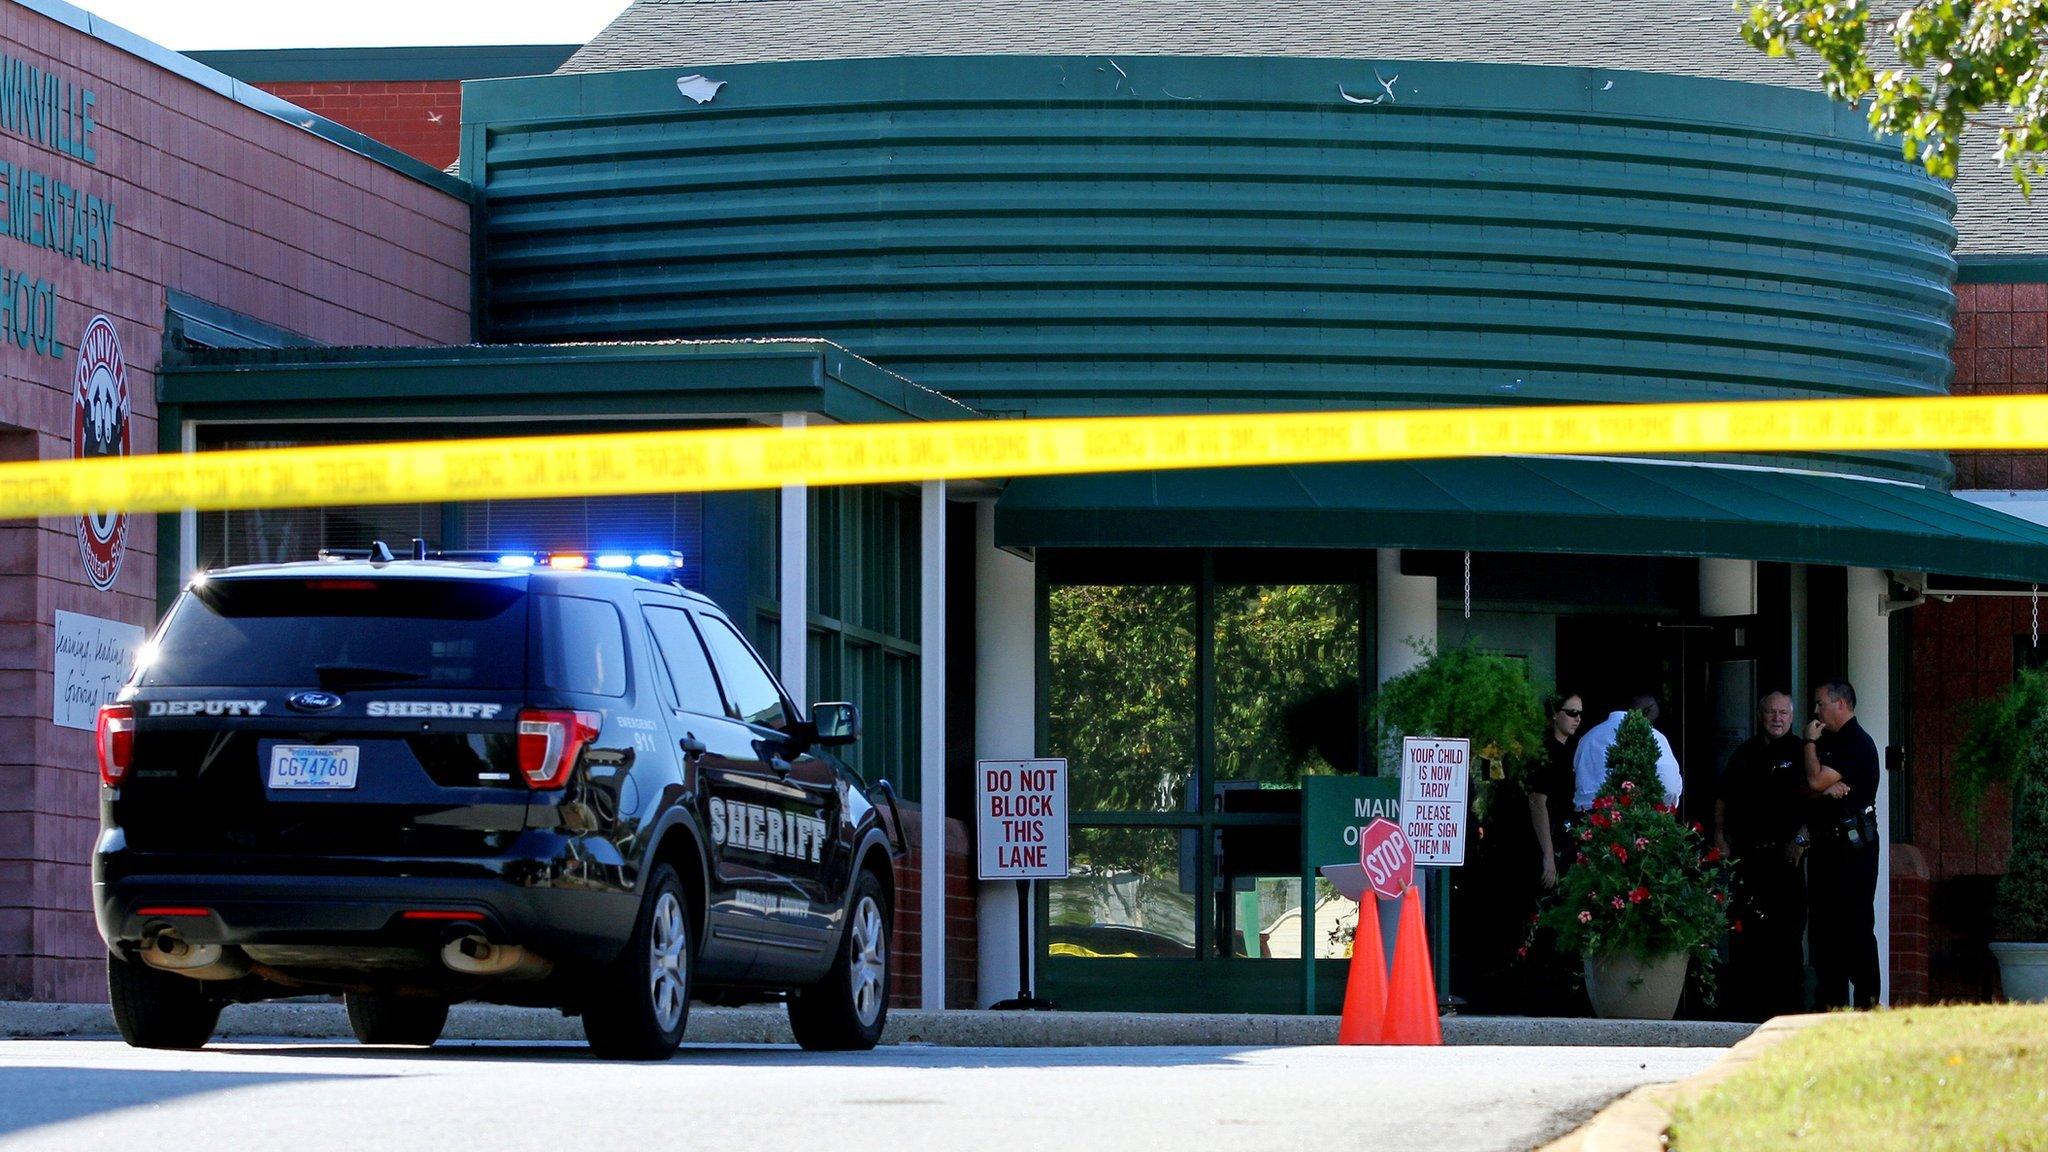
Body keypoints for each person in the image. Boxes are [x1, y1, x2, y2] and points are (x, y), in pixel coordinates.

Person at [1714, 691, 1809, 1020]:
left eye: (1783, 712)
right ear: (1760, 715)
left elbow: (1817, 803)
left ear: (1792, 717)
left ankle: (1788, 1013)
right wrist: (1719, 837)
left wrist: (1800, 838)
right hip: (1748, 857)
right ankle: (1745, 1011)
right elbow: (1723, 797)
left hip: (1785, 860)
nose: (1777, 718)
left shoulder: (1802, 752)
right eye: (1771, 712)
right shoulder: (1745, 753)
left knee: (1786, 935)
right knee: (1746, 933)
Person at [1804, 678, 1882, 1010]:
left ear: (1841, 704)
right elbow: (1809, 787)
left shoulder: (1855, 742)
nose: (1816, 710)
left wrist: (1809, 744)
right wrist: (1822, 785)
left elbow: (1815, 779)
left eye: (1821, 703)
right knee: (1824, 929)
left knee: (1855, 924)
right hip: (1826, 849)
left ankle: (1867, 1002)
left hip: (1853, 851)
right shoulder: (1831, 741)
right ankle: (1830, 1004)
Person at [1573, 693, 1682, 810]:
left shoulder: (1587, 738)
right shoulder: (1654, 737)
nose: (1650, 726)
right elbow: (1669, 786)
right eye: (1652, 720)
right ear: (1646, 711)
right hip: (1634, 820)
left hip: (1586, 820)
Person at [1529, 692, 1583, 890]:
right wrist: (1548, 856)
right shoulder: (1546, 752)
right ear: (1555, 714)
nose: (1577, 718)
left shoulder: (1568, 750)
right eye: (1571, 712)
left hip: (1563, 835)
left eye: (1579, 713)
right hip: (1548, 837)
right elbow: (1537, 802)